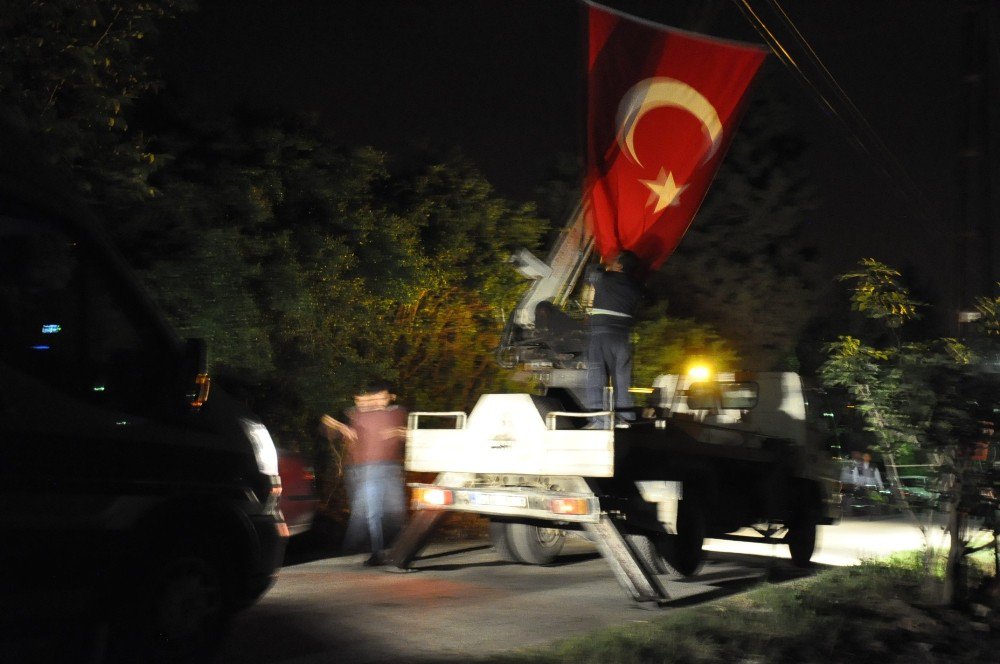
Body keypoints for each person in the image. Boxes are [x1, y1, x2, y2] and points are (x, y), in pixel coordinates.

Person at [322, 381, 408, 566]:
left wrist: (399, 432)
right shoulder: (356, 413)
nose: (377, 402)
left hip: (391, 468)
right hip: (367, 469)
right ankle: (377, 552)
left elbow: (410, 433)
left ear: (390, 397)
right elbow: (327, 421)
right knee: (373, 513)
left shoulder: (397, 412)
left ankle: (401, 550)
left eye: (382, 398)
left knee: (395, 512)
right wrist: (339, 427)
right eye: (374, 398)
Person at [585, 250, 643, 428]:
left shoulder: (605, 279)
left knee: (597, 374)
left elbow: (591, 273)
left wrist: (602, 262)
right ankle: (625, 415)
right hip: (623, 337)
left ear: (620, 265)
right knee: (621, 377)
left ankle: (597, 417)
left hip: (602, 334)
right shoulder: (635, 287)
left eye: (615, 260)